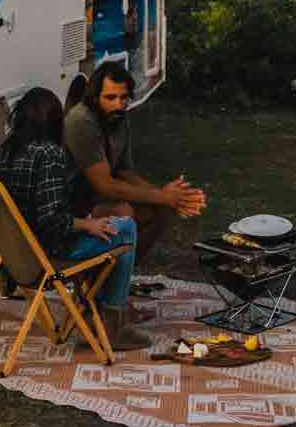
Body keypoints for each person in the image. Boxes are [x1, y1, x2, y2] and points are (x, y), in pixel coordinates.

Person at [0, 87, 150, 351]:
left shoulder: (2, 153)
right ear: (55, 121)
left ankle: (92, 311)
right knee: (123, 228)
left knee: (103, 223)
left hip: (14, 252)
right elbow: (52, 219)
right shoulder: (48, 154)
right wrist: (87, 224)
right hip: (49, 252)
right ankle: (112, 322)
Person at [64, 63, 206, 305]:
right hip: (72, 205)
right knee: (124, 215)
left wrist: (167, 197)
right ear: (94, 96)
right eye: (110, 97)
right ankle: (104, 298)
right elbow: (105, 186)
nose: (118, 104)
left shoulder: (118, 117)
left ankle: (110, 285)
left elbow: (124, 172)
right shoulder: (81, 121)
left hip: (97, 197)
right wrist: (163, 196)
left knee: (159, 212)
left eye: (123, 98)